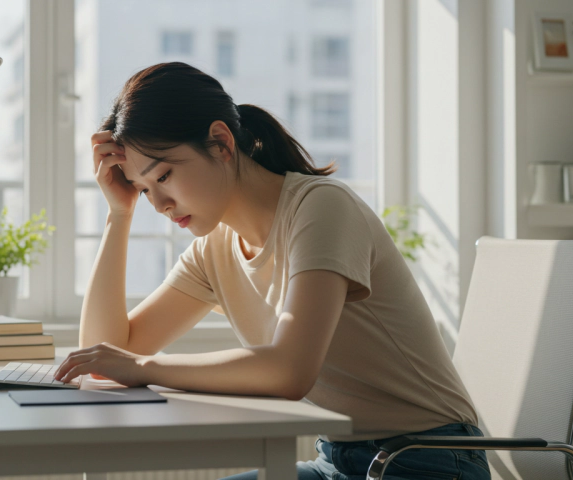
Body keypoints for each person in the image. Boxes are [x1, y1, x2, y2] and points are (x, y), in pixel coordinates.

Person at [54, 62, 490, 480]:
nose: (159, 205)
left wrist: (146, 366)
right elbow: (102, 356)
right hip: (336, 460)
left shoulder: (320, 207)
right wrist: (118, 214)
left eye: (164, 176)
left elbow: (289, 371)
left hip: (428, 459)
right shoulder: (215, 248)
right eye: (144, 189)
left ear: (221, 143)